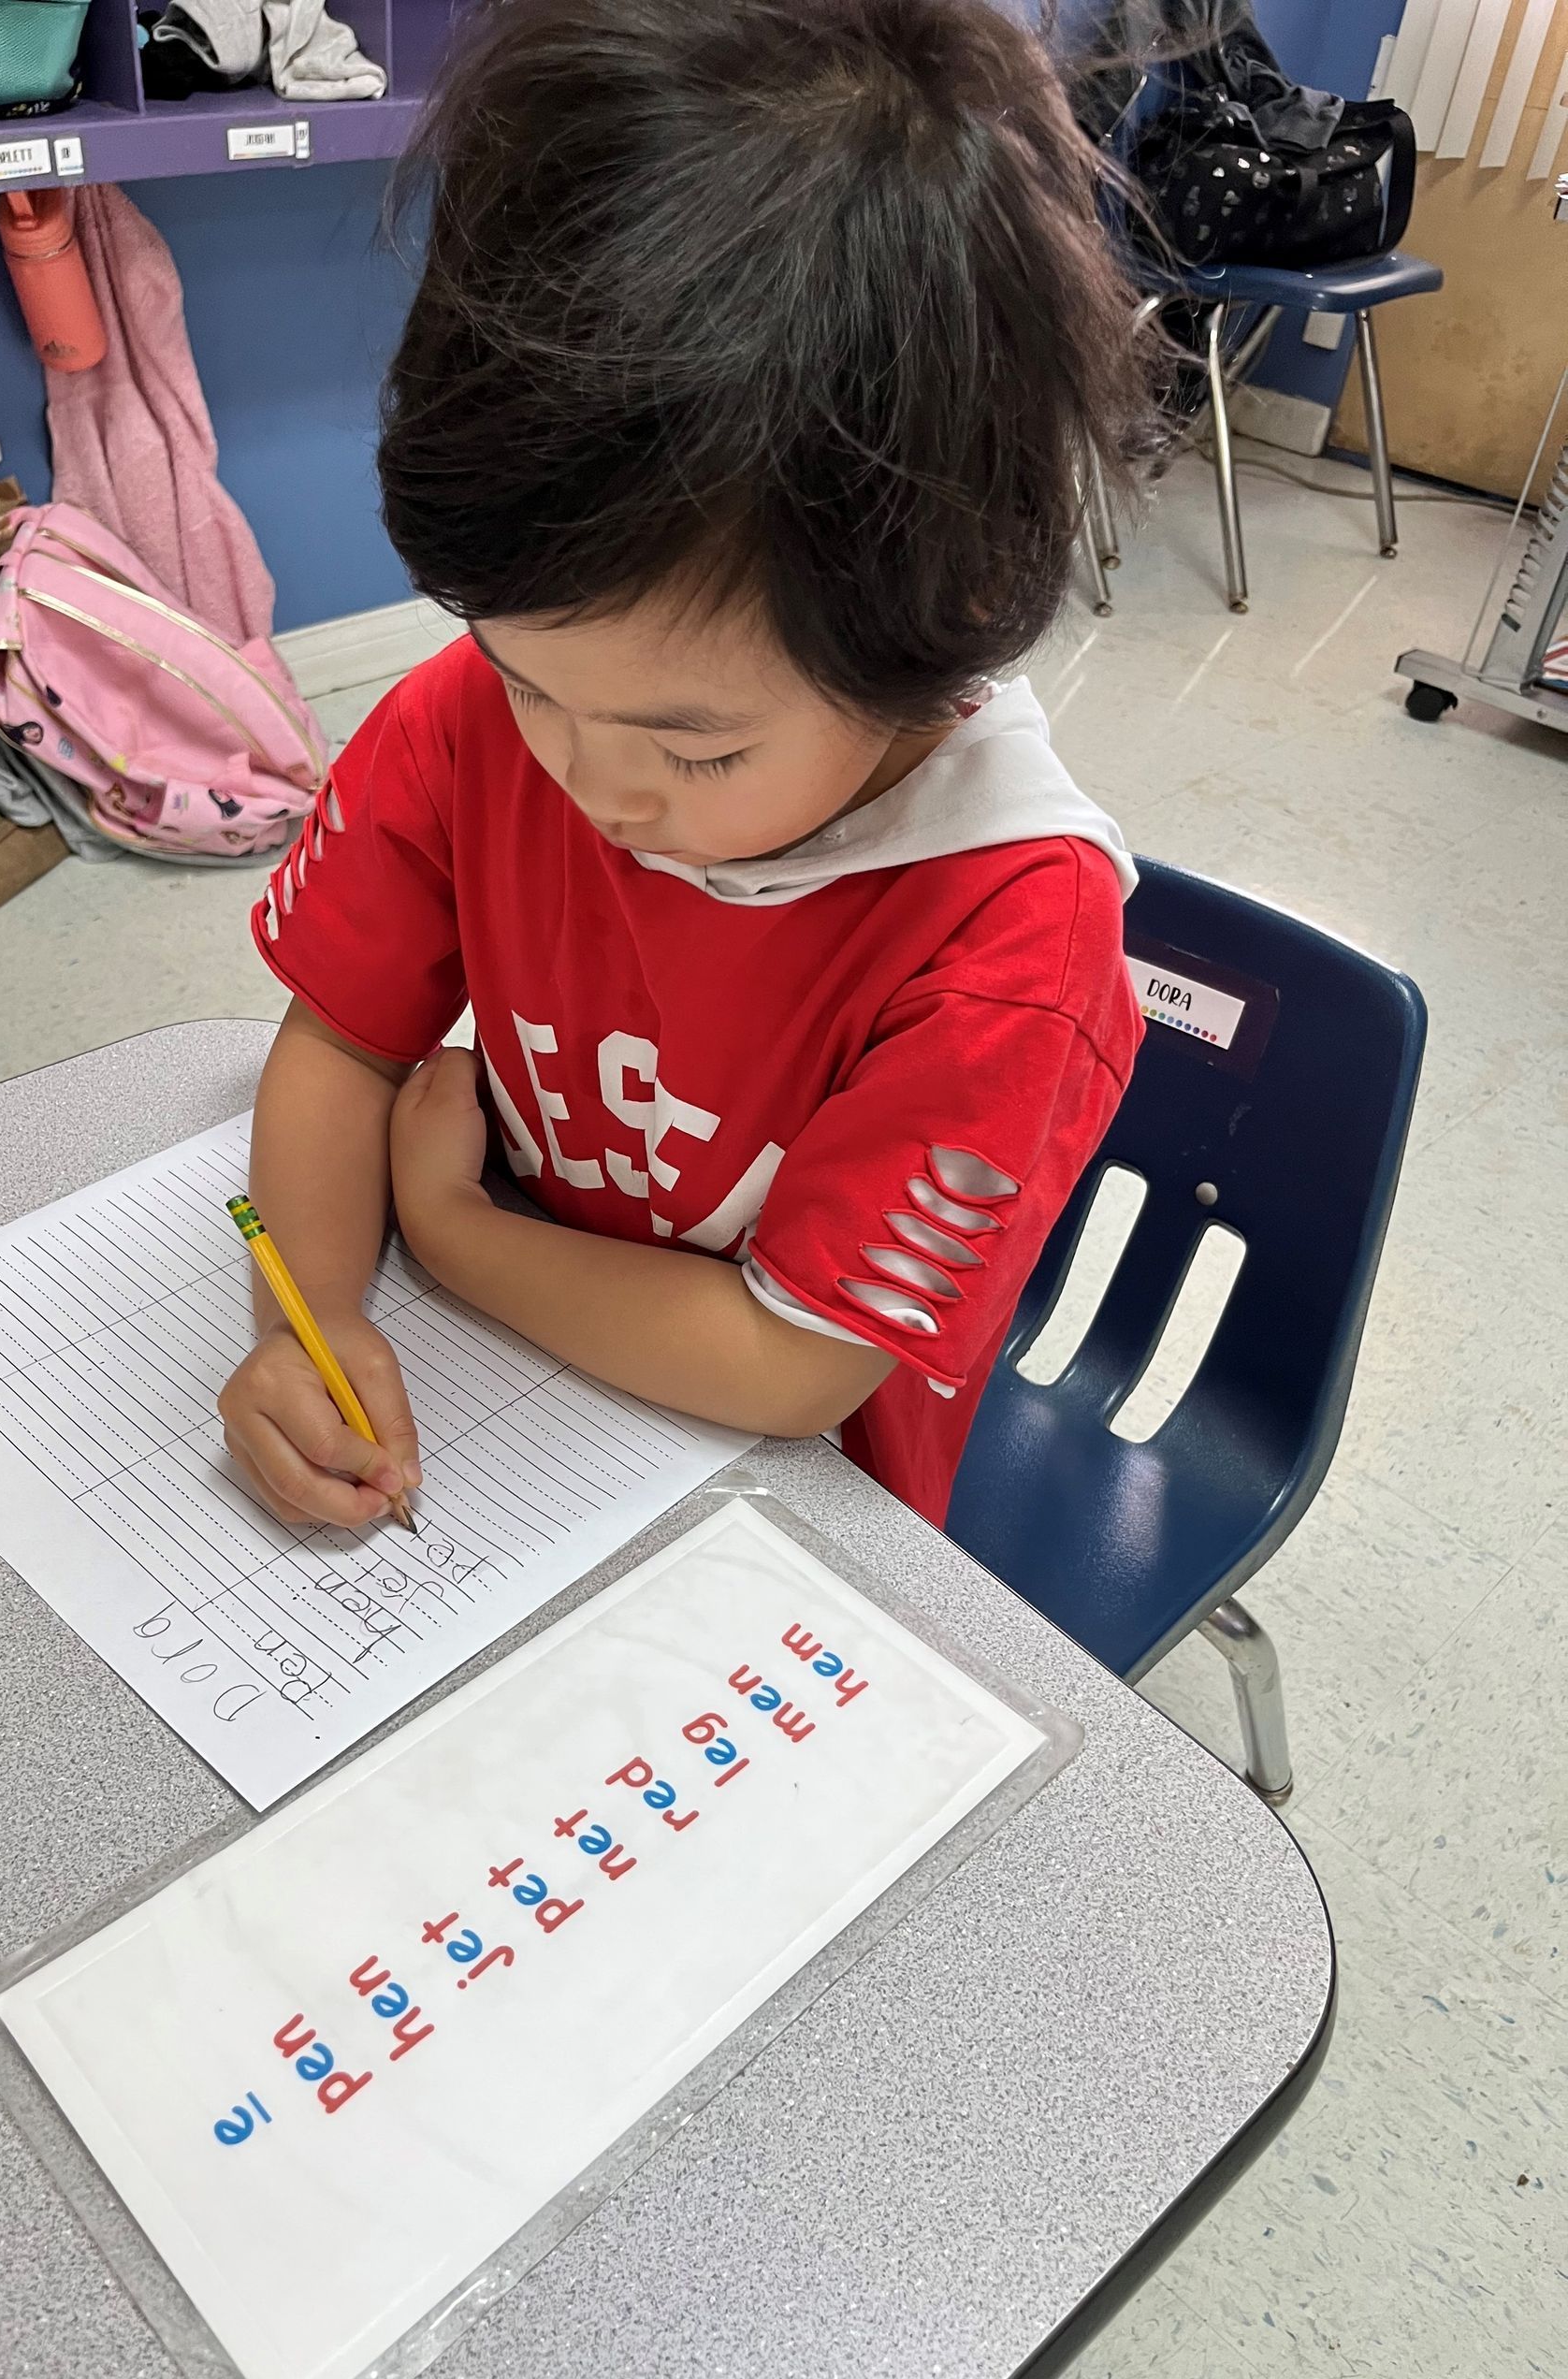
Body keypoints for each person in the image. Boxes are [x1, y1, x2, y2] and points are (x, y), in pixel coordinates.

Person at [219, 0, 1151, 1535]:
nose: (590, 784)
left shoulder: (1008, 940)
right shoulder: (481, 717)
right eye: (531, 683)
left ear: (938, 632)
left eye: (695, 747)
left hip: (780, 1526)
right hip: (503, 1425)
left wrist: (448, 1229)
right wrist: (304, 1325)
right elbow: (340, 1044)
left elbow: (792, 1370)